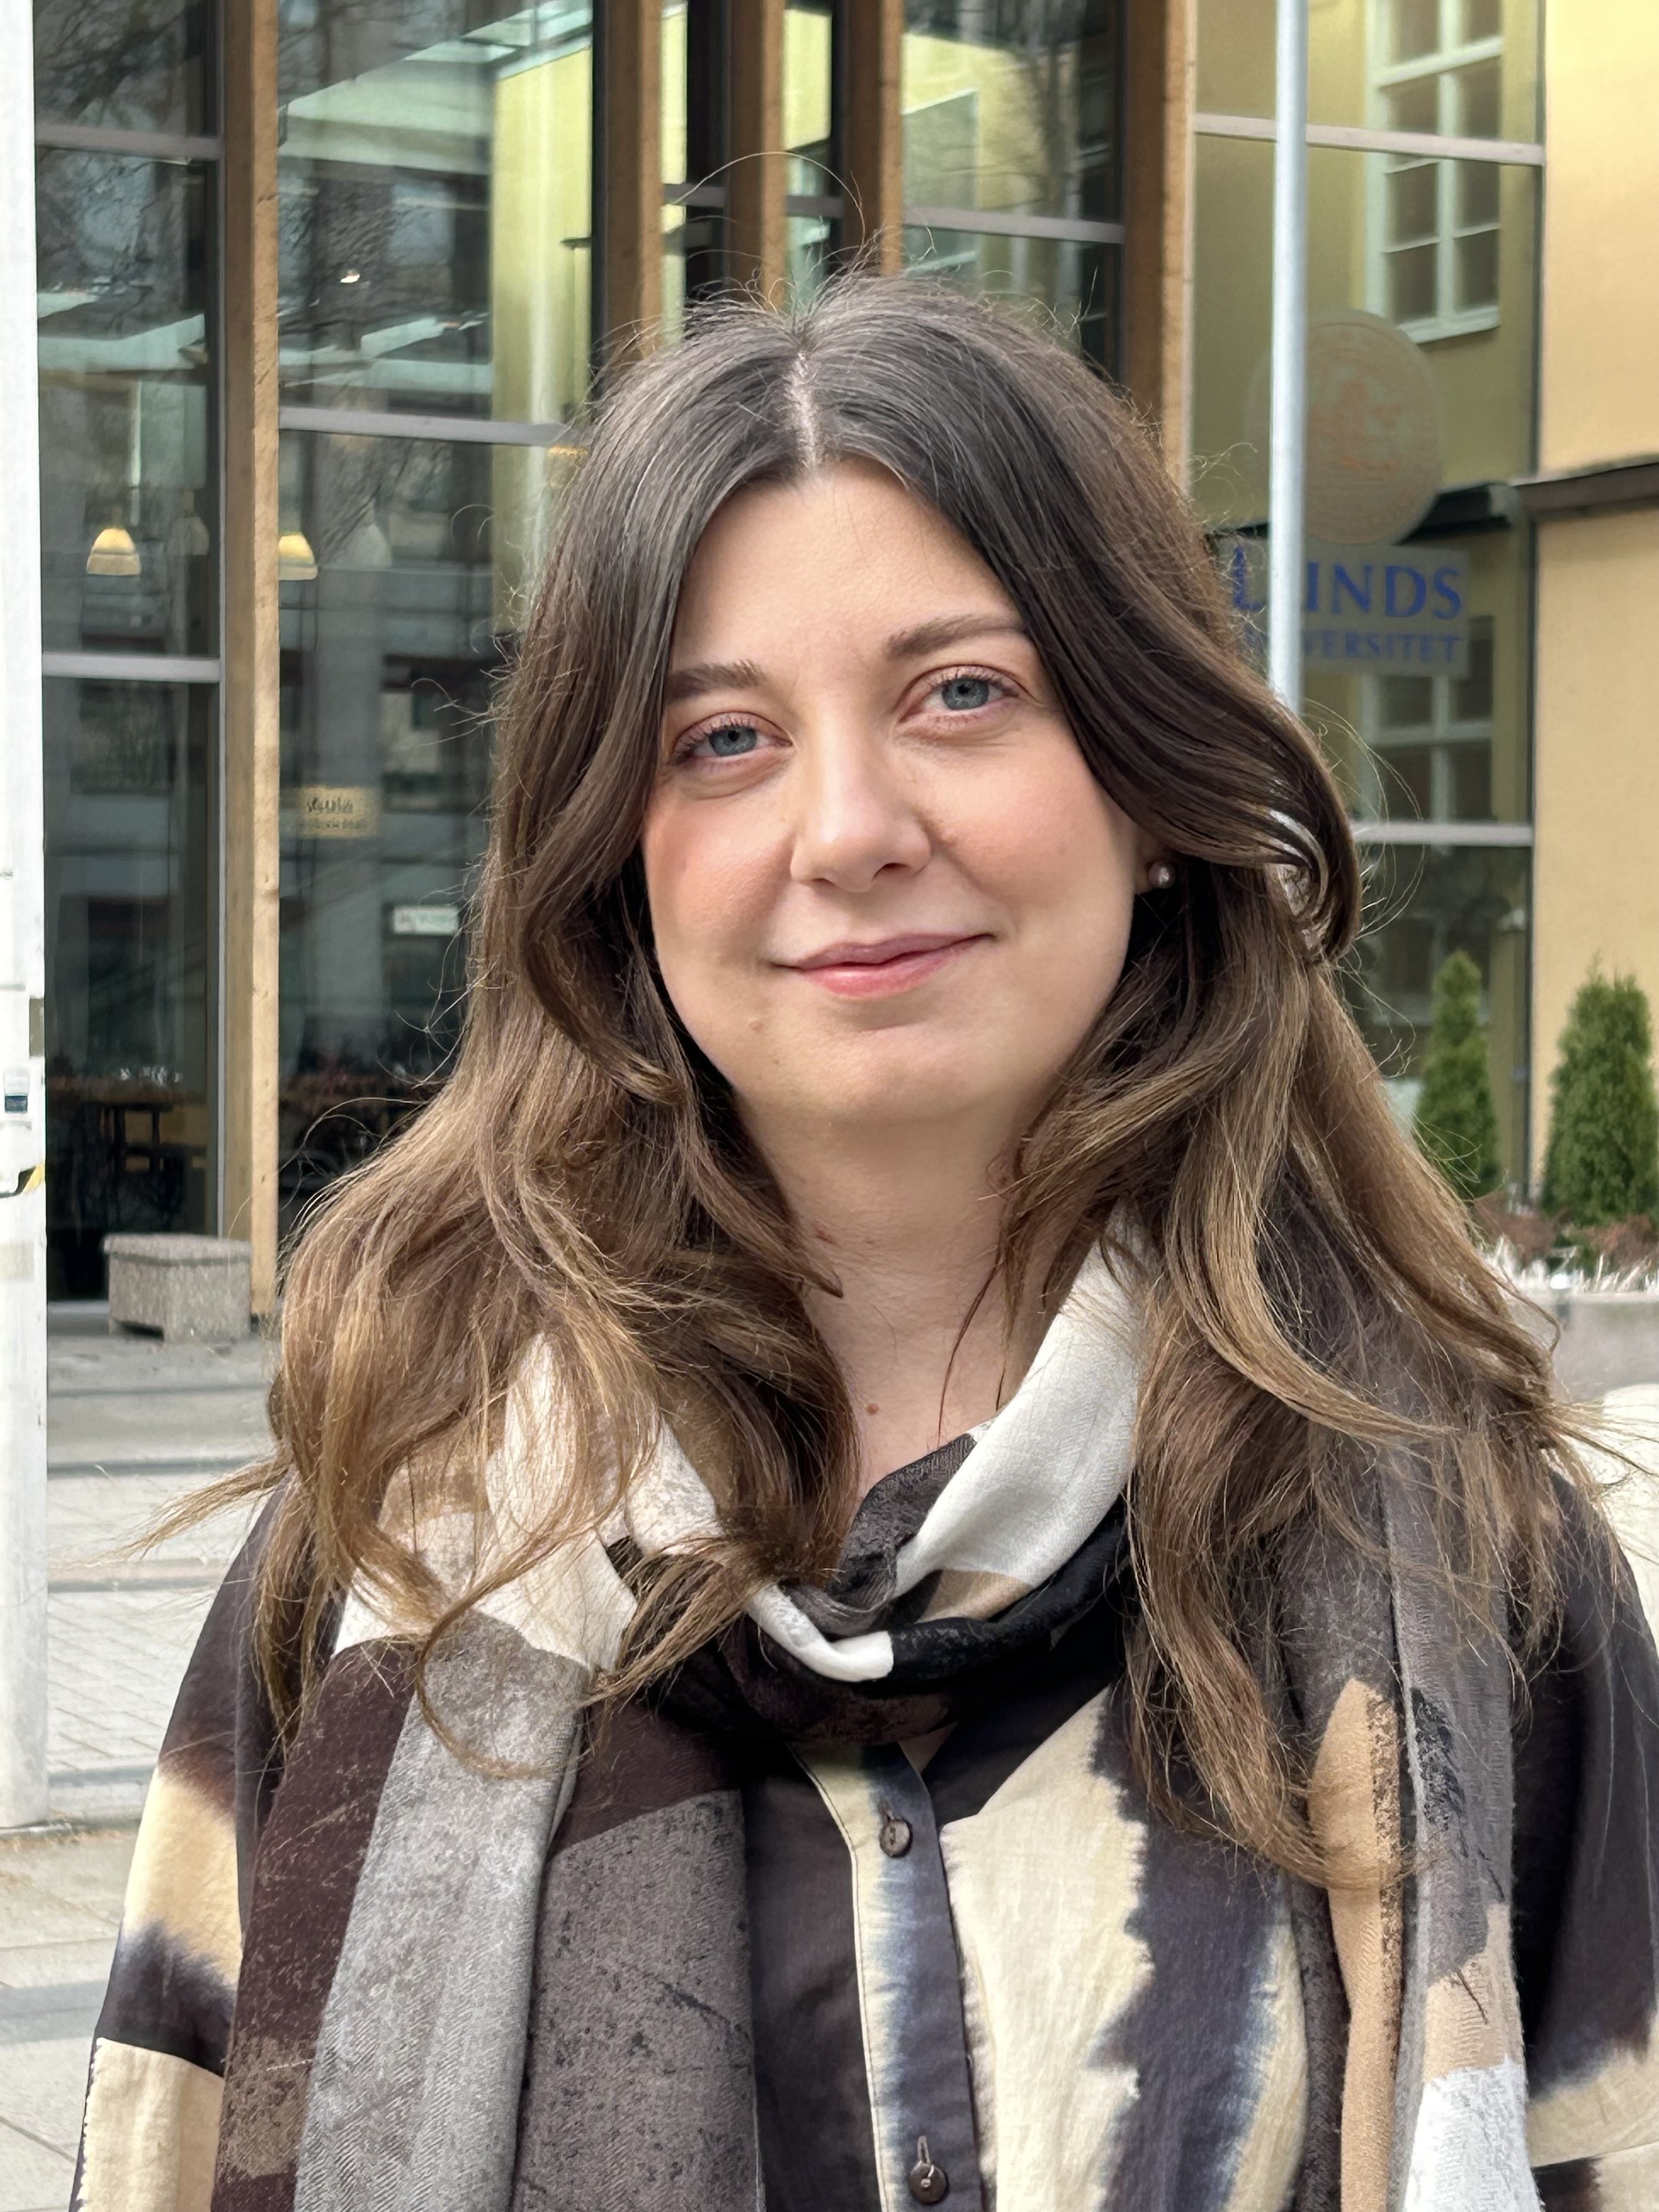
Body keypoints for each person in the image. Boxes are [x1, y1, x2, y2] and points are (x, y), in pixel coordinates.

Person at [75, 281, 1659, 2212]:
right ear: (617, 860)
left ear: (1152, 788)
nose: (846, 829)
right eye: (725, 737)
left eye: (962, 694)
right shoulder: (387, 1547)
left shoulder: (1475, 1563)